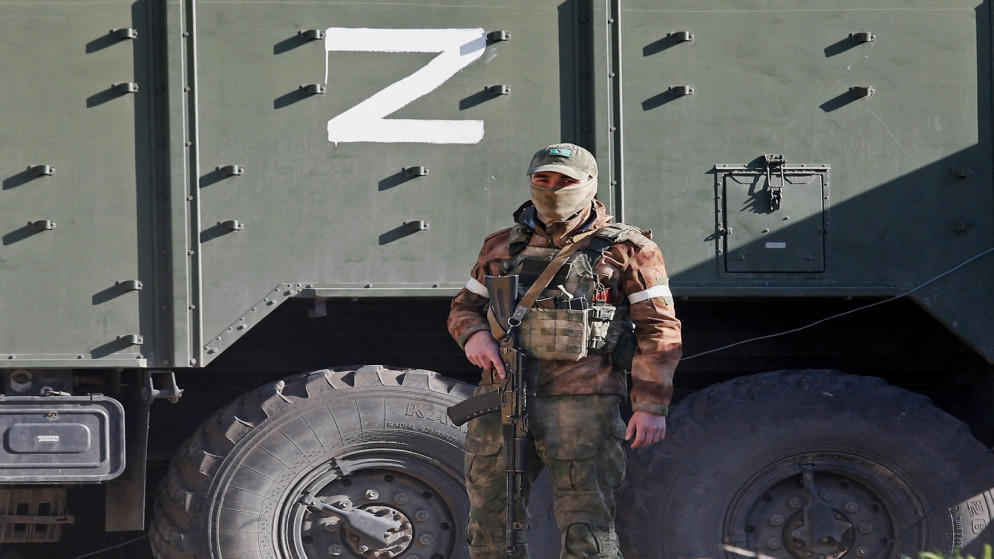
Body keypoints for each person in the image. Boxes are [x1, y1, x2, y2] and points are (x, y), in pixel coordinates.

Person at [447, 143, 682, 559]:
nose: (553, 188)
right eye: (543, 179)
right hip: (502, 397)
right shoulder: (501, 246)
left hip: (583, 406)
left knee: (586, 528)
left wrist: (650, 405)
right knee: (489, 525)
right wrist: (474, 336)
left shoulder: (627, 249)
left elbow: (659, 329)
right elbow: (465, 307)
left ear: (589, 184)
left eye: (565, 181)